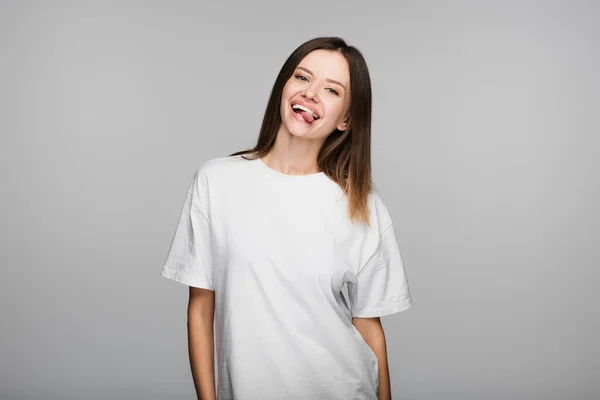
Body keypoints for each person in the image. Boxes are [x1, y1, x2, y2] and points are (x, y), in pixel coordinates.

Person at [161, 36, 413, 400]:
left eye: (331, 89)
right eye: (302, 77)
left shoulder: (362, 205)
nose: (311, 94)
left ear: (346, 118)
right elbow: (201, 308)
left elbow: (369, 326)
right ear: (284, 86)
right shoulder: (216, 182)